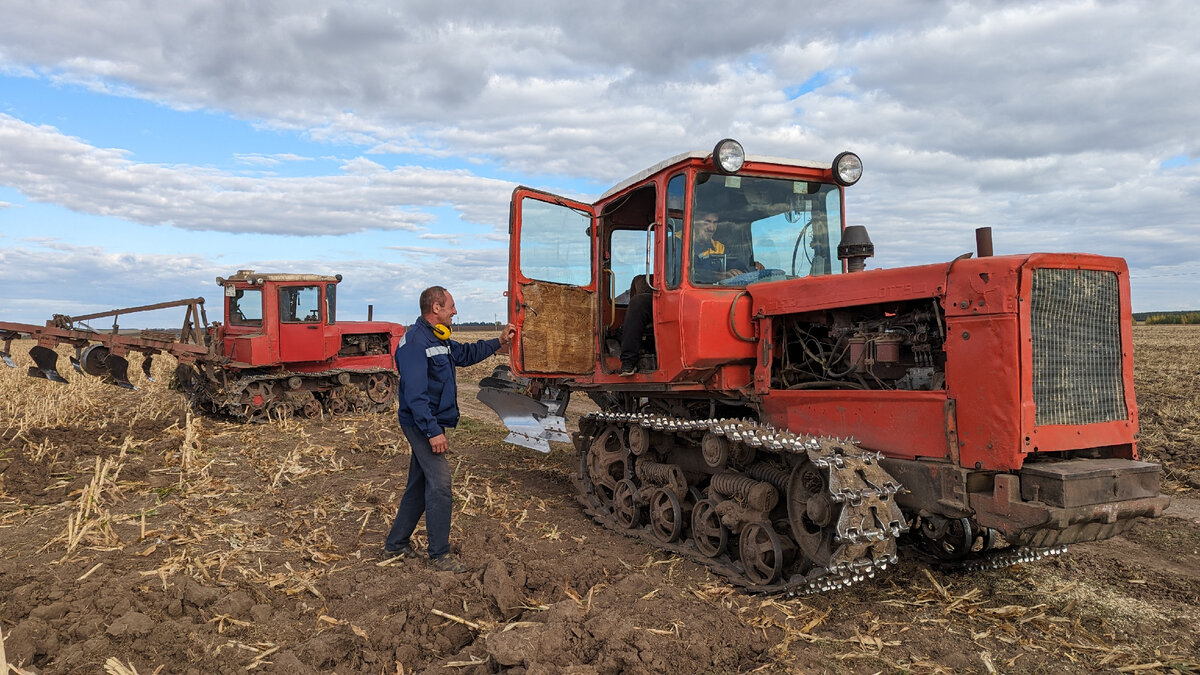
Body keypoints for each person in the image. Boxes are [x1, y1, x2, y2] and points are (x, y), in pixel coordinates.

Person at [383, 286, 515, 572]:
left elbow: (465, 354)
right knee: (441, 484)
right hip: (420, 423)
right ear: (436, 308)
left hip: (428, 421)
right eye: (451, 306)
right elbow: (416, 397)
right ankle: (439, 554)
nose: (455, 311)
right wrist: (432, 432)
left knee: (420, 485)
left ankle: (396, 544)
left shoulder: (437, 338)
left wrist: (498, 342)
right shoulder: (416, 344)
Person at [618, 212, 746, 375]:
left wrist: (749, 268)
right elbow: (679, 271)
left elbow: (737, 263)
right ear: (692, 222)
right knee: (638, 303)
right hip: (672, 295)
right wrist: (718, 275)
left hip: (706, 297)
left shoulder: (718, 247)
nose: (711, 227)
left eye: (715, 222)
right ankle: (628, 361)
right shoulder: (674, 243)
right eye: (707, 221)